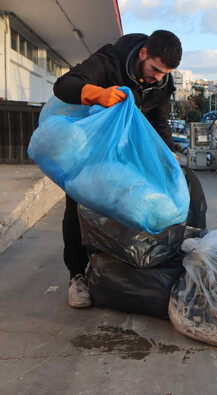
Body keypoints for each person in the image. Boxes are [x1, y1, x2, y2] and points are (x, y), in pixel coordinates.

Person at [52, 30, 182, 308]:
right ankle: (77, 275)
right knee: (77, 205)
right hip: (91, 149)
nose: (158, 77)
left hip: (127, 152)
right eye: (155, 70)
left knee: (130, 205)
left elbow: (160, 123)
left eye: (165, 73)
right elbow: (63, 85)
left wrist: (169, 153)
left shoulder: (162, 83)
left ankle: (117, 268)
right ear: (143, 53)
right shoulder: (109, 61)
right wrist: (97, 94)